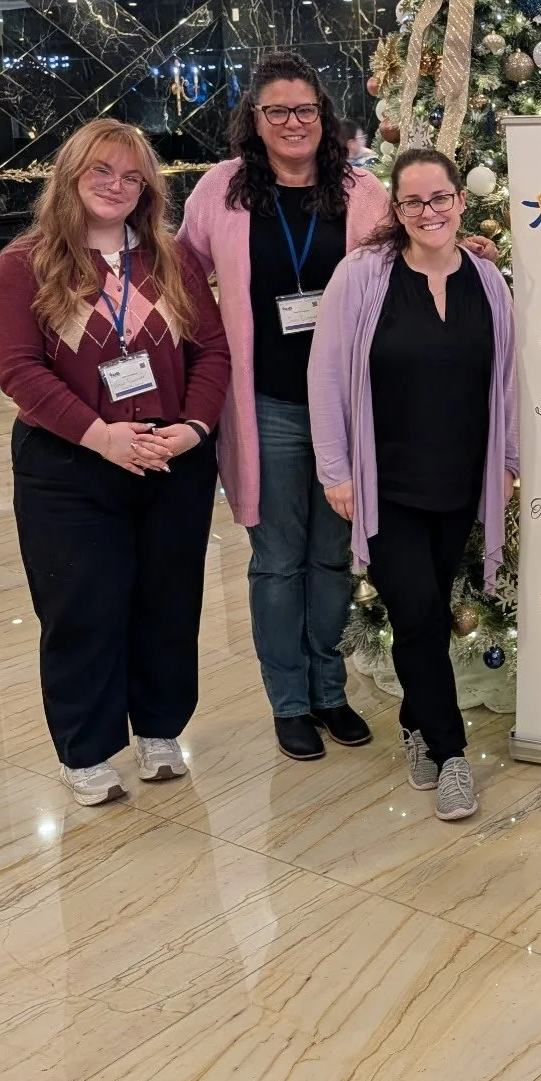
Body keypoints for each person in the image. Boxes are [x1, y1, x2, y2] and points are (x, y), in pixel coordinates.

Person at [0, 119, 231, 805]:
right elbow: (19, 372)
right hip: (71, 467)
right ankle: (86, 749)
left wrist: (193, 428)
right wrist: (100, 436)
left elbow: (212, 352)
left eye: (131, 177)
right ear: (70, 175)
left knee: (168, 602)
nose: (116, 186)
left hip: (170, 459)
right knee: (82, 608)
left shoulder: (171, 260)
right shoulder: (25, 265)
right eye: (101, 171)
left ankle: (159, 729)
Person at [179, 52, 386, 761]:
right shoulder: (221, 189)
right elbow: (181, 275)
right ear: (255, 118)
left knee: (333, 559)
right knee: (276, 562)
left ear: (323, 116)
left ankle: (331, 691)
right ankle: (290, 702)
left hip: (347, 411)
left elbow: (406, 264)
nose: (293, 123)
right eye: (277, 111)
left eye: (305, 109)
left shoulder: (361, 192)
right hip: (263, 405)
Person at [309, 150, 518, 824]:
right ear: (396, 210)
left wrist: (508, 461)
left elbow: (506, 380)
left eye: (440, 198)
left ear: (461, 201)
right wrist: (336, 471)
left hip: (458, 481)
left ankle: (414, 722)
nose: (429, 212)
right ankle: (451, 753)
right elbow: (326, 375)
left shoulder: (487, 281)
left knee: (426, 612)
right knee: (418, 613)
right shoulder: (361, 276)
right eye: (413, 202)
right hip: (385, 486)